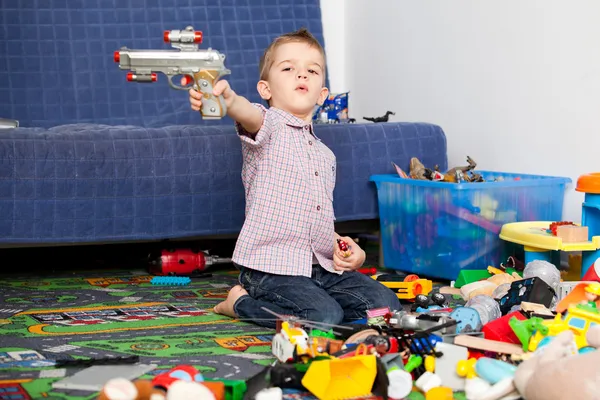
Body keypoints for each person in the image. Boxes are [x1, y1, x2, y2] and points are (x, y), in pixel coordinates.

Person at [185, 28, 400, 328]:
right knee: (324, 317)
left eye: (312, 71)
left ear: (322, 94)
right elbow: (247, 113)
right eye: (288, 69)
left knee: (385, 306)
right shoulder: (268, 125)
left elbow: (316, 217)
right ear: (266, 89)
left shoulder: (326, 156)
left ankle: (318, 304)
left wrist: (349, 249)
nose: (302, 75)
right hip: (271, 269)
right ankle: (241, 302)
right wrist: (228, 100)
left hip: (321, 267)